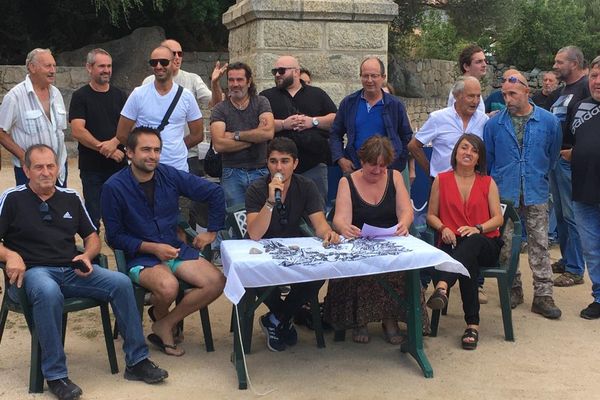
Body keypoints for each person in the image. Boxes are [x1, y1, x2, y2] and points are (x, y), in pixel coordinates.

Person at [0, 144, 167, 400]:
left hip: (71, 270)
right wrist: (11, 255)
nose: (46, 172)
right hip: (35, 273)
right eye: (39, 167)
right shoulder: (12, 198)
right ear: (26, 170)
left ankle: (137, 361)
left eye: (51, 166)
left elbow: (91, 237)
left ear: (58, 168)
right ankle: (56, 375)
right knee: (47, 291)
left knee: (121, 283)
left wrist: (87, 256)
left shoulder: (70, 197)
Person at [102, 127, 226, 357]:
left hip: (173, 248)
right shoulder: (113, 187)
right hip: (140, 255)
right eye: (146, 150)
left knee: (216, 281)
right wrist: (152, 248)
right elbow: (115, 236)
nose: (153, 156)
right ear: (129, 152)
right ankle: (163, 320)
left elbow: (214, 193)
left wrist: (212, 231)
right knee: (169, 287)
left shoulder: (169, 174)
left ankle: (165, 323)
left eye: (157, 150)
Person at [325, 135, 424, 344]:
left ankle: (390, 319)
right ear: (362, 161)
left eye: (382, 166)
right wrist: (345, 228)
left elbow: (406, 211)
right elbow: (340, 219)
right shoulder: (347, 181)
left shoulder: (395, 177)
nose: (378, 170)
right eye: (373, 165)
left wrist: (404, 224)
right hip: (359, 241)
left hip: (389, 240)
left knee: (399, 267)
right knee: (362, 267)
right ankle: (359, 319)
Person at [245, 137, 340, 352]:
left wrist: (329, 234)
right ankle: (283, 318)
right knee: (255, 275)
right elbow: (255, 233)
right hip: (260, 250)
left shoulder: (306, 186)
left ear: (295, 163)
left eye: (285, 161)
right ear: (267, 163)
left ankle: (276, 319)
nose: (279, 167)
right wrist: (270, 201)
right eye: (273, 161)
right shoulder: (256, 188)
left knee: (317, 275)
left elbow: (319, 224)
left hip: (292, 248)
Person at [484, 71, 562, 319]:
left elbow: (553, 154)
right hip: (505, 193)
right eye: (505, 94)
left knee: (540, 243)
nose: (507, 99)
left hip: (536, 190)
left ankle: (543, 295)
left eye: (513, 94)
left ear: (527, 92)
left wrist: (537, 174)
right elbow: (489, 159)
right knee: (506, 245)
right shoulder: (494, 124)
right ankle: (512, 289)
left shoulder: (549, 122)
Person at [425, 134, 503, 349]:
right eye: (464, 148)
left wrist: (477, 228)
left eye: (474, 150)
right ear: (456, 152)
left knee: (474, 241)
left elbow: (498, 218)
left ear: (479, 158)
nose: (468, 153)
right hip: (453, 243)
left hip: (486, 242)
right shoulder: (442, 179)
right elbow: (431, 215)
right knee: (467, 263)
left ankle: (442, 285)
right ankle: (472, 325)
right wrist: (443, 227)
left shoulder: (487, 182)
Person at [260, 55, 337, 203]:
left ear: (296, 72)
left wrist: (312, 121)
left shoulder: (317, 94)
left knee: (316, 211)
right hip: (278, 167)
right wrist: (283, 124)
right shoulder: (267, 96)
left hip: (313, 165)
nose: (277, 75)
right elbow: (260, 125)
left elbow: (336, 119)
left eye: (281, 71)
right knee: (277, 210)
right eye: (274, 71)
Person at [115, 45, 204, 173]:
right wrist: (141, 150)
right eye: (154, 62)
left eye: (163, 62)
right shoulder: (138, 94)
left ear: (174, 63)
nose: (158, 66)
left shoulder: (186, 96)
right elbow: (121, 134)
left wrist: (177, 147)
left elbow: (198, 134)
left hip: (176, 169)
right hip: (145, 170)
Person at [69, 48, 128, 229]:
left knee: (121, 213)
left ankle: (121, 253)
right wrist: (106, 149)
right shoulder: (80, 96)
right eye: (101, 66)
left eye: (109, 66)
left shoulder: (120, 95)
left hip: (118, 165)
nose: (106, 70)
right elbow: (78, 131)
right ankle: (93, 253)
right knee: (92, 216)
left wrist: (114, 143)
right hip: (91, 168)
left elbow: (128, 126)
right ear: (89, 67)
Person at [561, 55, 600, 319]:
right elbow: (572, 143)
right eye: (595, 76)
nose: (597, 81)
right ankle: (599, 297)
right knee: (592, 250)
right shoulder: (580, 107)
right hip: (583, 192)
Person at [546, 46, 589, 285]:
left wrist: (576, 152)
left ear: (574, 63)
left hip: (569, 161)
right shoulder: (564, 91)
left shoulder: (584, 88)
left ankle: (575, 268)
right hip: (557, 160)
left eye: (559, 62)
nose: (555, 66)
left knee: (572, 215)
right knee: (560, 214)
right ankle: (566, 258)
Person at [329, 57, 413, 174]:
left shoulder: (395, 105)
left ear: (383, 77)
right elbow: (335, 133)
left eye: (374, 76)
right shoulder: (349, 103)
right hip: (355, 169)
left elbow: (407, 137)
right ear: (360, 76)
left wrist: (397, 162)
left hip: (386, 171)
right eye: (365, 76)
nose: (369, 80)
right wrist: (340, 159)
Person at [0, 48, 68, 187]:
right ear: (32, 67)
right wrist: (24, 157)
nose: (53, 70)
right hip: (29, 172)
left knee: (59, 208)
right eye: (48, 66)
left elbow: (59, 132)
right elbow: (1, 132)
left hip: (58, 170)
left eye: (54, 65)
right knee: (30, 209)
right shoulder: (15, 97)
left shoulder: (56, 94)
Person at [210, 62, 275, 208]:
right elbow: (219, 144)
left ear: (249, 81)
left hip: (261, 170)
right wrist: (255, 138)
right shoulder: (220, 109)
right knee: (235, 220)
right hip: (231, 173)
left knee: (263, 216)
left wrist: (235, 135)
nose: (235, 84)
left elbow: (268, 132)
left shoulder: (261, 102)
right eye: (231, 80)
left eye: (239, 80)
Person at [409, 76, 488, 179]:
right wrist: (431, 172)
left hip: (471, 184)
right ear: (456, 96)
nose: (475, 101)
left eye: (478, 96)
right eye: (471, 96)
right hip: (441, 184)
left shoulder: (483, 120)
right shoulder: (438, 118)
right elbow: (413, 146)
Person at [448, 44, 487, 114]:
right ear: (466, 66)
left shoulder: (473, 88)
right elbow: (460, 118)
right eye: (479, 62)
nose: (484, 65)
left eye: (484, 61)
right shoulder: (460, 89)